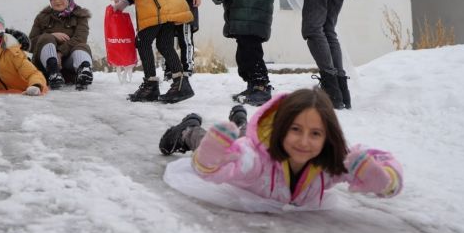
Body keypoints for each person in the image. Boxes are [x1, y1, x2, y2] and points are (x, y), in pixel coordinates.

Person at [159, 88, 402, 211]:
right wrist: (211, 155)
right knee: (219, 142)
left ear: (327, 137)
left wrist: (383, 178)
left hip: (260, 141)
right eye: (295, 129)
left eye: (315, 133)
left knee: (241, 133)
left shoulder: (330, 165)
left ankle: (241, 120)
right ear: (282, 126)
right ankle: (188, 130)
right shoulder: (253, 161)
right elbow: (215, 168)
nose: (304, 142)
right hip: (249, 150)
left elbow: (377, 160)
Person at [29, 0, 94, 90]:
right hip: (46, 68)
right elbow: (30, 43)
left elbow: (80, 38)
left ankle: (84, 71)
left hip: (69, 65)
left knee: (82, 46)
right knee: (46, 38)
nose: (57, 1)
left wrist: (60, 52)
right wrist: (52, 36)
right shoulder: (42, 17)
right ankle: (53, 72)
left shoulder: (80, 16)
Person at [0, 4, 46, 96]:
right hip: (2, 99)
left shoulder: (12, 51)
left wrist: (36, 86)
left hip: (25, 96)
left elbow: (33, 73)